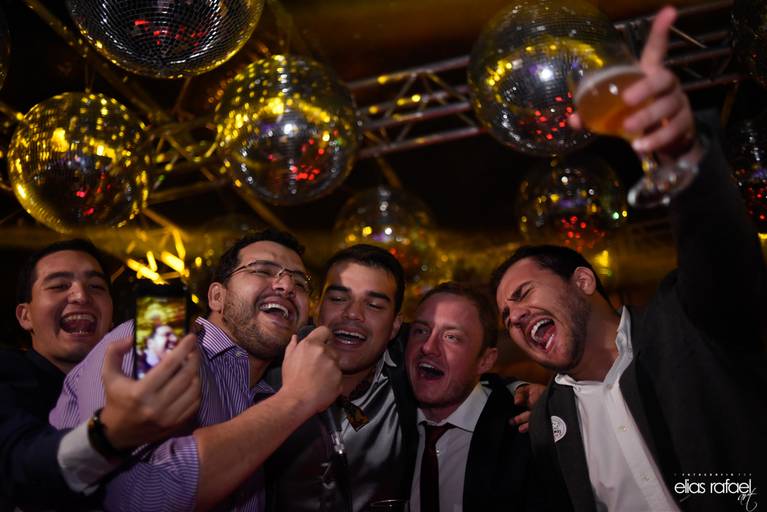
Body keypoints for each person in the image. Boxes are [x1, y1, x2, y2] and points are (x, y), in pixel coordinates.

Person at [492, 7, 767, 511]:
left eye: (523, 293)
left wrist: (680, 152)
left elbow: (721, 253)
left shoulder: (686, 322)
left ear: (582, 280)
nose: (514, 317)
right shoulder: (548, 426)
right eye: (506, 316)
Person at [51, 229, 343, 511]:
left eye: (300, 283)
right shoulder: (158, 339)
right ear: (217, 297)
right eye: (263, 270)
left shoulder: (266, 393)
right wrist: (294, 400)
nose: (287, 286)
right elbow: (137, 499)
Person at [267, 245, 542, 512]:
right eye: (338, 299)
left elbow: (465, 370)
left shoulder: (406, 378)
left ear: (395, 326)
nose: (352, 313)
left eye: (374, 305)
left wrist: (533, 393)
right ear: (317, 308)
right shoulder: (269, 373)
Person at [1, 239, 201, 511]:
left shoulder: (136, 380)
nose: (81, 296)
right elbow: (16, 461)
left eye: (96, 286)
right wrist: (109, 434)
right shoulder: (8, 371)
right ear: (25, 316)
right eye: (59, 285)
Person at [406, 282, 541, 512]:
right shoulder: (391, 416)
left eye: (452, 337)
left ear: (485, 361)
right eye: (420, 331)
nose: (428, 347)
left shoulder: (526, 435)